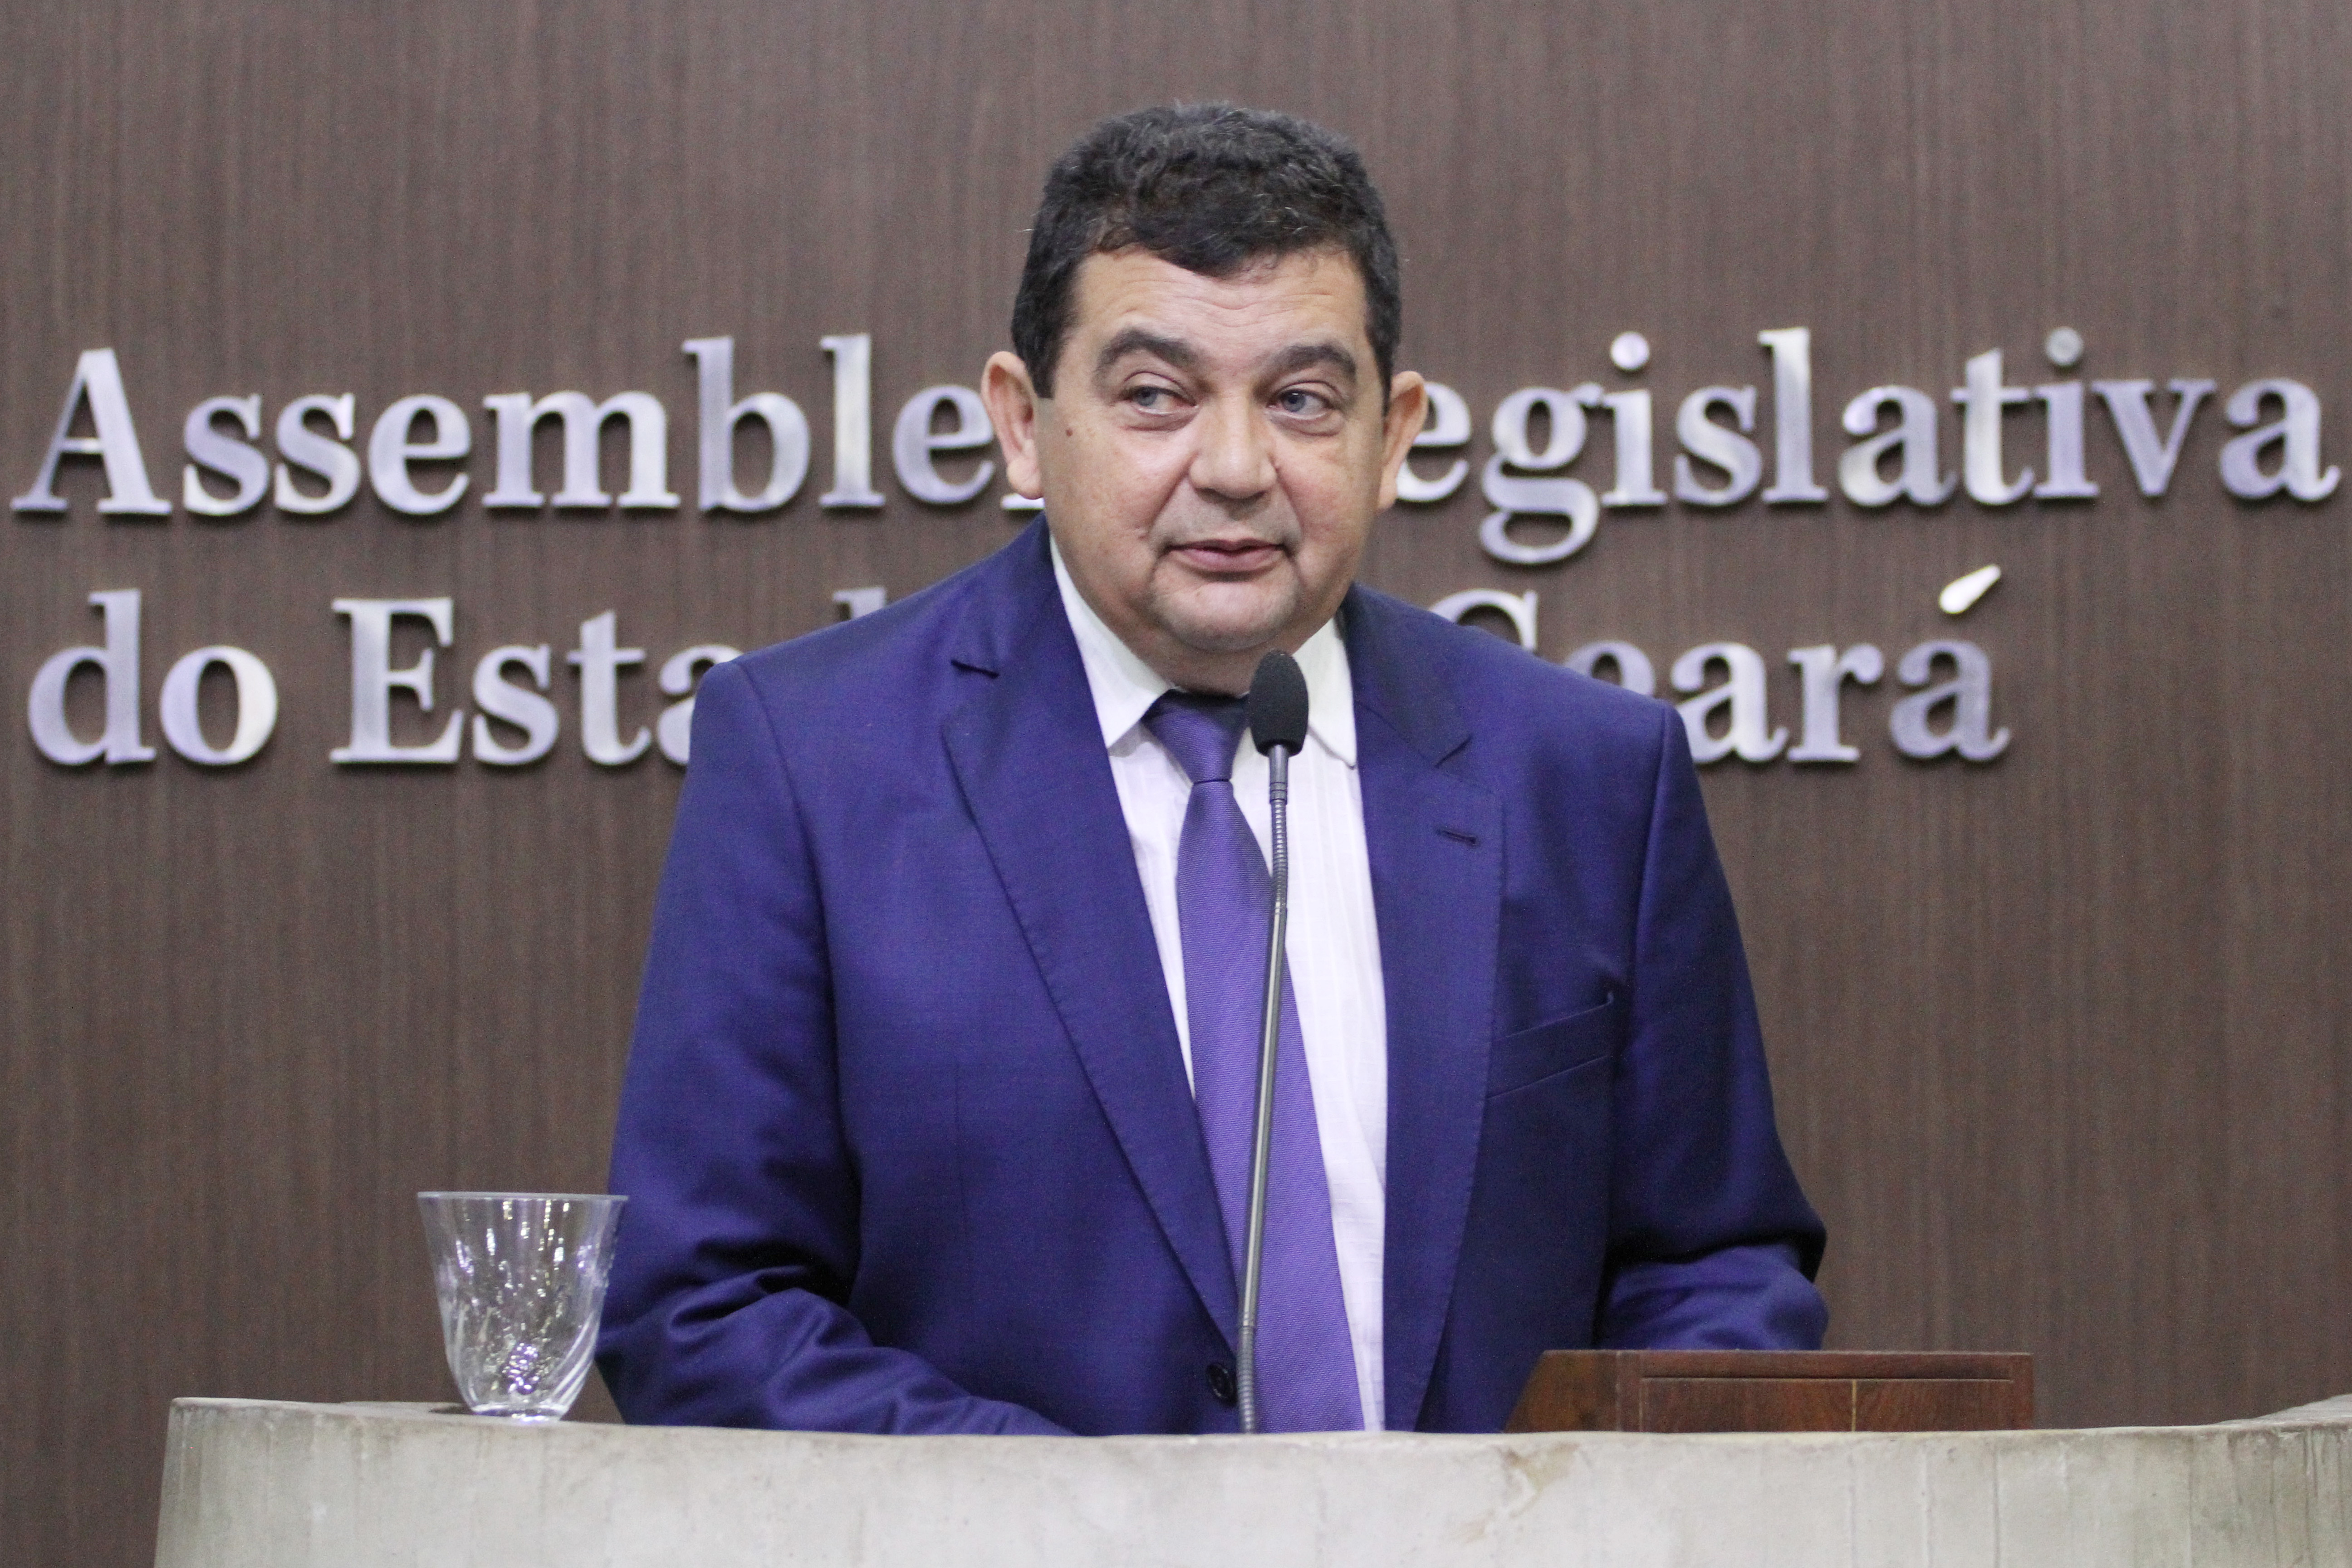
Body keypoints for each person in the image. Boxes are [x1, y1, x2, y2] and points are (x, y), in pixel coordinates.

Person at [597, 103, 1826, 1436]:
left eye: (1301, 402)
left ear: (1394, 435)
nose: (1236, 469)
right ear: (1022, 424)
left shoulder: (1589, 778)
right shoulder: (808, 759)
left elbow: (1714, 1268)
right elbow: (704, 1307)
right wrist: (1104, 1520)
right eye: (1155, 397)